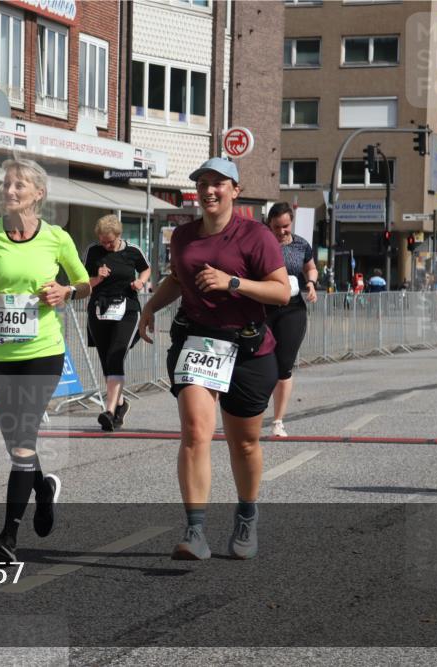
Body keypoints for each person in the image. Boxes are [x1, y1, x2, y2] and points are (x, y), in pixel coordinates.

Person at [137, 157, 289, 561]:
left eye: (218, 183)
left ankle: (246, 513)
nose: (209, 190)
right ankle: (195, 530)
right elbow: (177, 277)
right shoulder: (184, 236)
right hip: (198, 342)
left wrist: (233, 282)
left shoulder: (256, 236)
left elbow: (281, 293)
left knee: (244, 444)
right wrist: (150, 306)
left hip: (247, 347)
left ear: (235, 190)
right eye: (203, 183)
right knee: (195, 432)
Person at [0, 157, 91, 563]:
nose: (9, 191)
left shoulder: (57, 238)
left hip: (41, 353)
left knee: (23, 438)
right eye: (5, 185)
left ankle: (7, 537)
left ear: (38, 194)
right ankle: (43, 489)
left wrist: (65, 293)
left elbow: (83, 284)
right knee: (17, 441)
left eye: (18, 186)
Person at [84, 214, 150, 431]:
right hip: (99, 310)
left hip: (127, 310)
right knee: (106, 360)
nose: (106, 245)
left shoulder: (132, 251)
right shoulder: (94, 252)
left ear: (118, 236)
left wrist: (140, 282)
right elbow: (85, 284)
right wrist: (98, 278)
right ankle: (121, 405)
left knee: (116, 353)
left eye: (109, 242)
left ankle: (110, 410)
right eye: (102, 241)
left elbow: (146, 268)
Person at [264, 202, 318, 438]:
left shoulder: (300, 244)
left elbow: (311, 268)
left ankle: (278, 421)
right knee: (261, 362)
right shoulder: (261, 242)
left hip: (292, 309)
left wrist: (311, 283)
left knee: (284, 364)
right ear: (269, 224)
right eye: (277, 227)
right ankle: (252, 414)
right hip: (262, 307)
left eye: (285, 226)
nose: (282, 231)